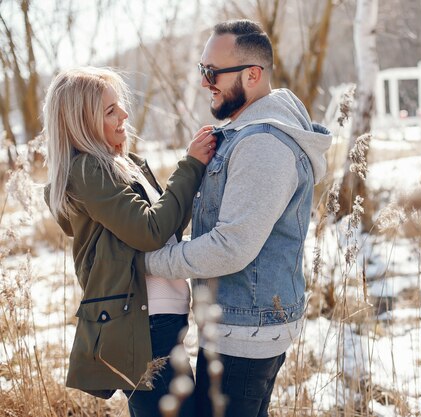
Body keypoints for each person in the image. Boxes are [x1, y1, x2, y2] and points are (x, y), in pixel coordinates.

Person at [144, 20, 333, 417]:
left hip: (245, 333)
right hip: (240, 323)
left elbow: (231, 247)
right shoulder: (247, 132)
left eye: (212, 73)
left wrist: (151, 261)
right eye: (202, 70)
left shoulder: (263, 144)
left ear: (253, 74)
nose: (204, 82)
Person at [43, 67, 216, 417]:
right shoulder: (89, 171)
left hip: (163, 322)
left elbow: (167, 226)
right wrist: (191, 165)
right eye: (109, 111)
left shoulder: (127, 164)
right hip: (142, 326)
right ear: (81, 123)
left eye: (119, 105)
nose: (124, 114)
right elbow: (149, 232)